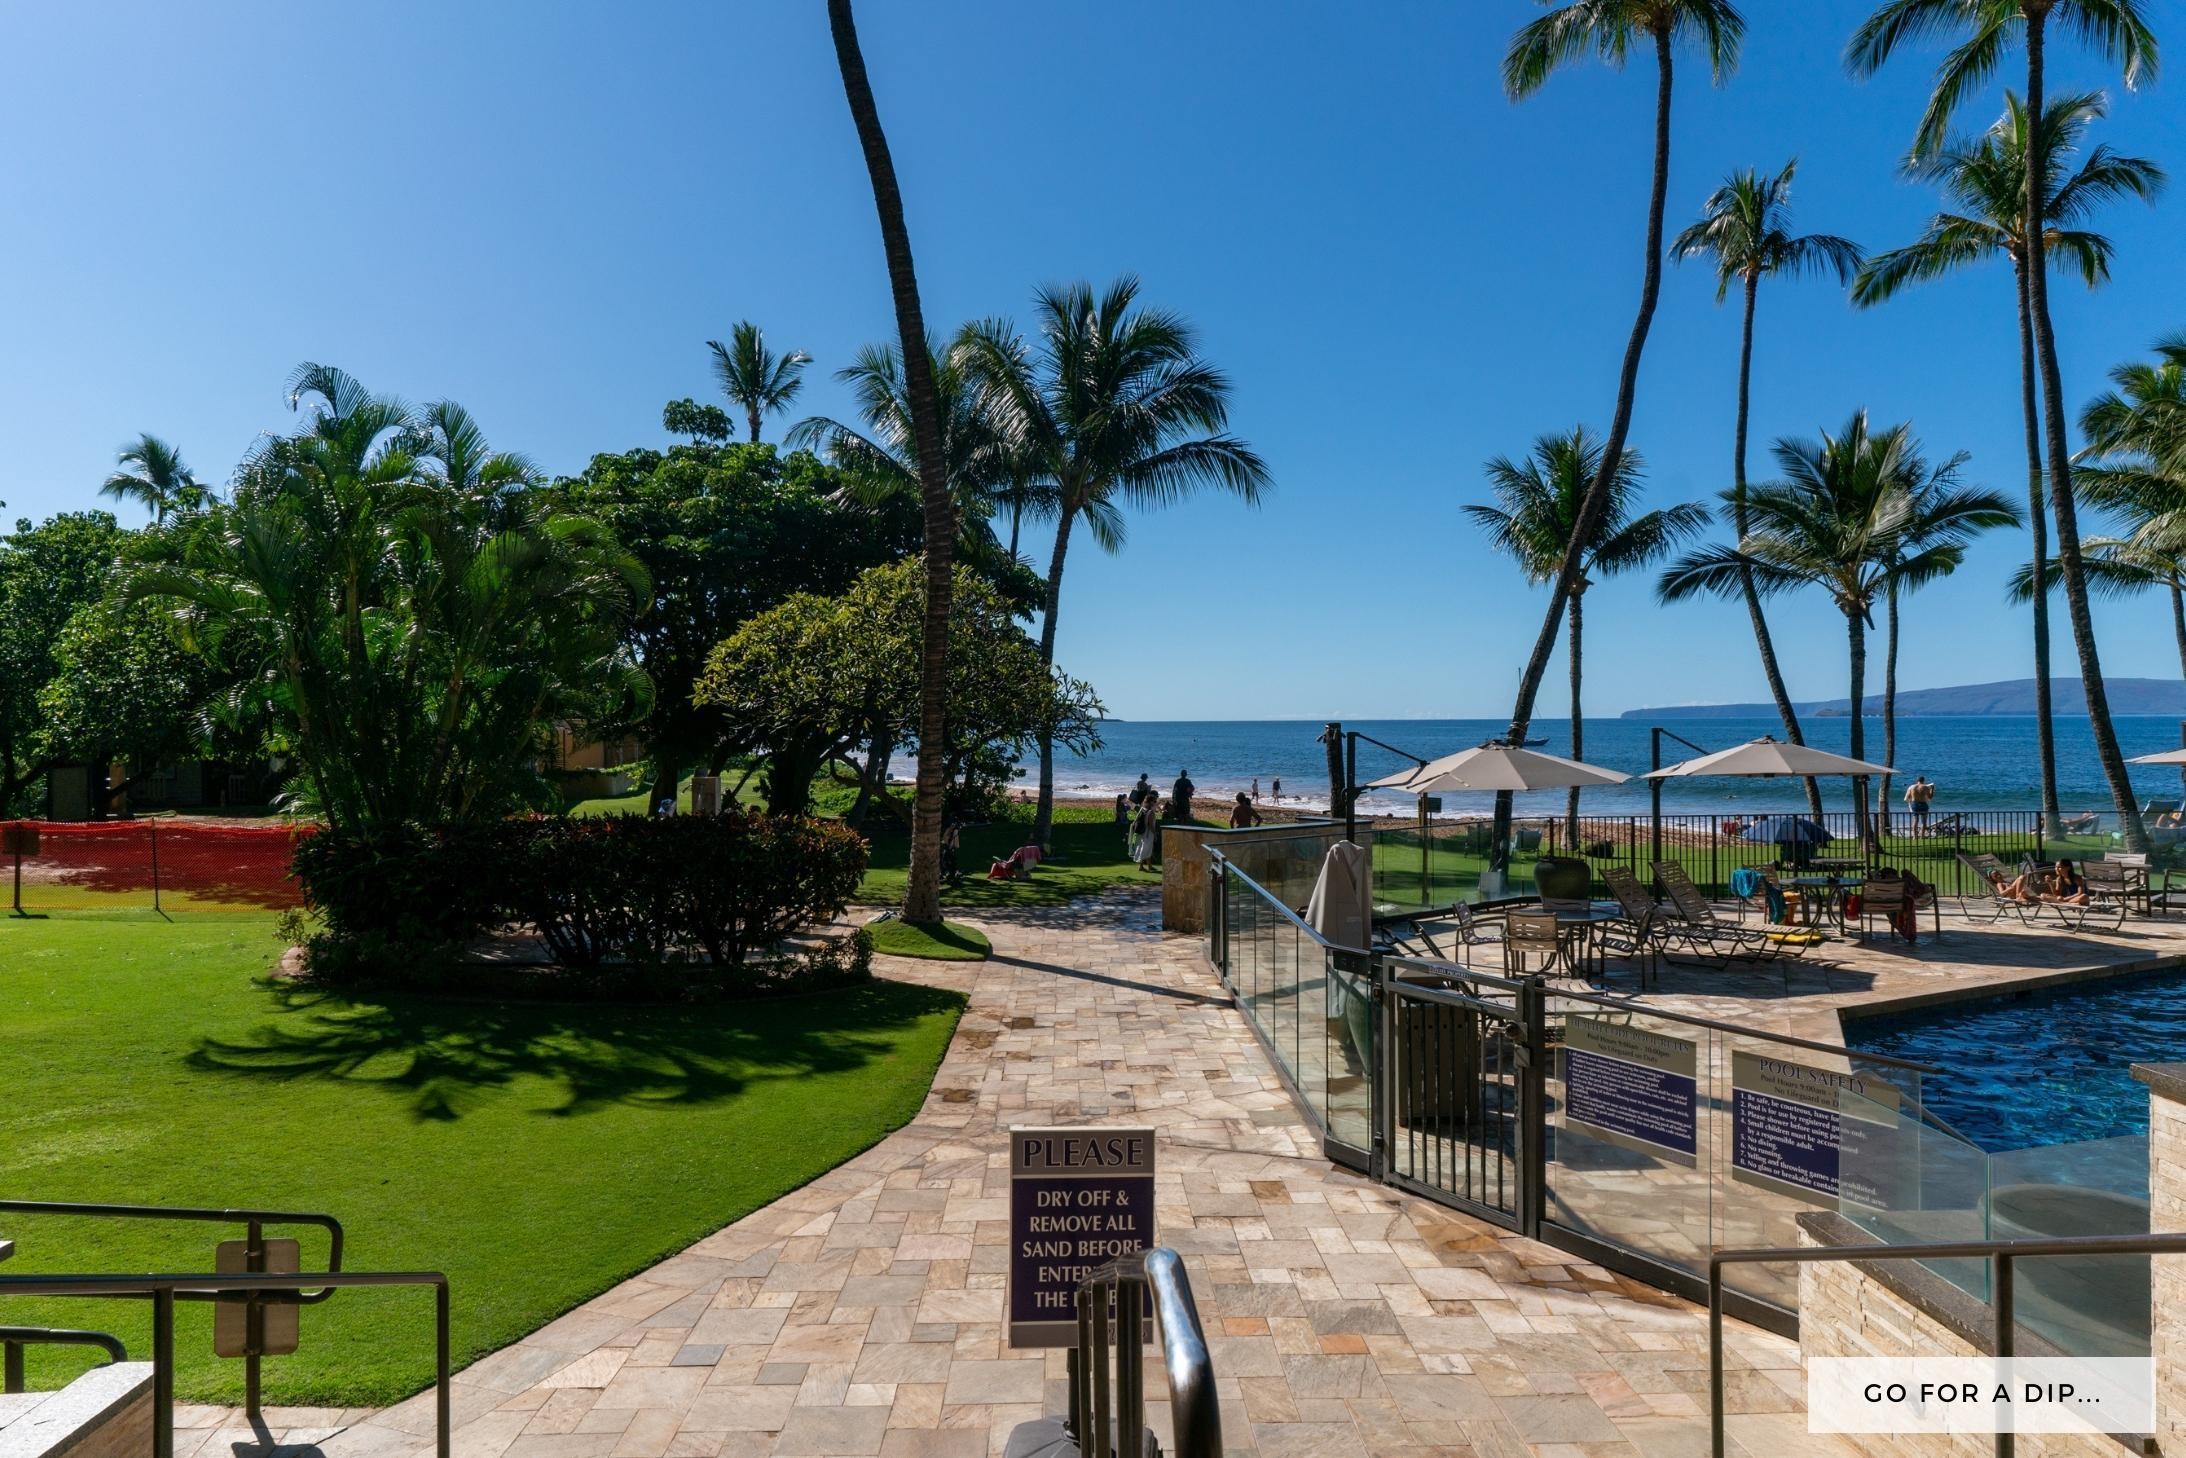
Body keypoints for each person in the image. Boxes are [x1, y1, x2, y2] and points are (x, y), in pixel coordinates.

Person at [1132, 797, 1161, 871]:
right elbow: (1150, 825)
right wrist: (1155, 833)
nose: (1155, 802)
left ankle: (1147, 866)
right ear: (1151, 802)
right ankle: (1145, 866)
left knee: (1143, 848)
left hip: (1141, 832)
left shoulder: (1142, 809)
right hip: (1148, 833)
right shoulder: (1150, 812)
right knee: (1146, 850)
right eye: (1154, 801)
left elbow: (1136, 820)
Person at [940, 820, 962, 885]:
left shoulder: (951, 833)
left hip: (949, 851)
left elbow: (956, 845)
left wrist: (954, 836)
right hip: (948, 851)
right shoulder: (949, 832)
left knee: (949, 863)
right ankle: (947, 874)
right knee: (946, 862)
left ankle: (950, 874)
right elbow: (956, 845)